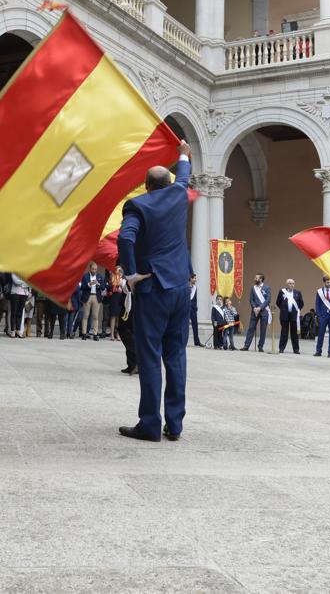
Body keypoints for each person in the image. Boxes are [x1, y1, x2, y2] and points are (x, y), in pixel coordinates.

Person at [116, 140, 193, 443]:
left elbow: (125, 238)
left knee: (149, 356)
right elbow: (184, 174)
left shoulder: (138, 205)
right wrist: (183, 154)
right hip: (180, 288)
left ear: (146, 185)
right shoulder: (179, 193)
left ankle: (150, 423)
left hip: (153, 289)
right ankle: (174, 425)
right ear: (169, 182)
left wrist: (132, 272)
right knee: (176, 356)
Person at [111, 268, 137, 374]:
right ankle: (131, 364)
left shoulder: (134, 272)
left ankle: (136, 358)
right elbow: (116, 281)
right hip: (126, 306)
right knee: (128, 332)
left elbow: (129, 286)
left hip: (131, 308)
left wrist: (121, 281)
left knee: (125, 331)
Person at [241, 275, 270, 352]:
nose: (254, 279)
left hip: (264, 311)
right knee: (251, 328)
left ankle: (260, 346)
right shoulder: (253, 288)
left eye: (256, 278)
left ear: (261, 279)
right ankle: (246, 345)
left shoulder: (267, 288)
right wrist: (254, 308)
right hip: (254, 311)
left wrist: (260, 308)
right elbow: (251, 299)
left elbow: (268, 300)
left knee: (263, 329)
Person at [78, 263, 105, 340]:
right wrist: (89, 284)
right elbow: (82, 287)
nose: (94, 270)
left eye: (95, 269)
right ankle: (84, 333)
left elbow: (103, 287)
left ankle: (95, 334)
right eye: (93, 269)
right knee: (85, 316)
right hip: (87, 296)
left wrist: (98, 284)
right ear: (90, 269)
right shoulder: (85, 276)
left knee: (95, 316)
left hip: (96, 297)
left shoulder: (100, 276)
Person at [276, 278, 303, 354]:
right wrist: (283, 309)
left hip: (294, 315)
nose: (292, 285)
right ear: (287, 284)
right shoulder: (282, 292)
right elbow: (278, 302)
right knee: (284, 332)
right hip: (284, 315)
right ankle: (281, 348)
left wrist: (296, 310)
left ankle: (296, 349)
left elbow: (301, 303)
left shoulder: (298, 292)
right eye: (290, 283)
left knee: (294, 333)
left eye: (293, 283)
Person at [314, 278, 330, 357]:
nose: (329, 284)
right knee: (321, 333)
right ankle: (318, 351)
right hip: (323, 316)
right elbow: (317, 304)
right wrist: (319, 315)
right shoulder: (319, 292)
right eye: (327, 282)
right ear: (324, 282)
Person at [187, 273, 204, 347]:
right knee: (184, 325)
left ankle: (196, 341)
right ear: (190, 279)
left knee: (195, 325)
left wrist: (196, 307)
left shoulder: (195, 288)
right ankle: (183, 341)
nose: (195, 280)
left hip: (193, 309)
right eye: (194, 278)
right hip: (185, 308)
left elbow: (195, 299)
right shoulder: (185, 286)